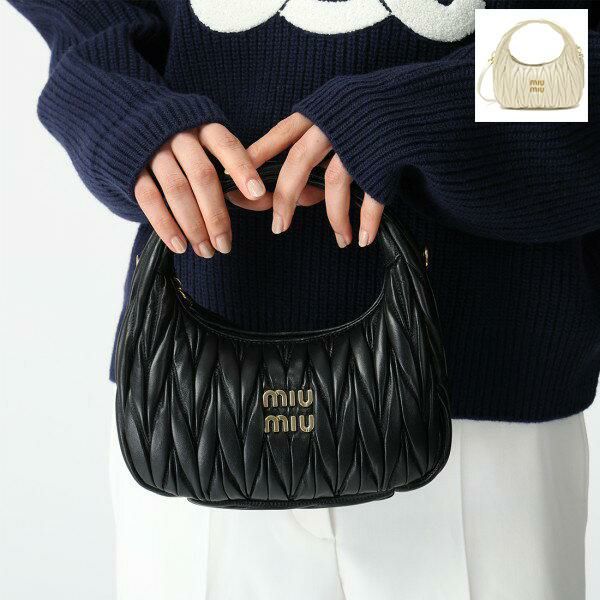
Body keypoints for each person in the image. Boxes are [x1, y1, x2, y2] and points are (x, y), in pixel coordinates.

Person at [8, 1, 600, 598]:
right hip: (194, 405)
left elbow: (582, 58)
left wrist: (415, 112)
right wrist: (119, 102)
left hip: (485, 405)